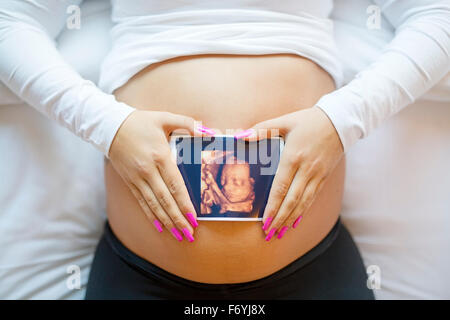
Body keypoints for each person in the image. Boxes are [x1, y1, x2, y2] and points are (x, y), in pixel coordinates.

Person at [0, 0, 448, 299]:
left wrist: (341, 120)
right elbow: (9, 22)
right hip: (142, 278)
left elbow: (437, 16)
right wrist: (109, 126)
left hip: (313, 272)